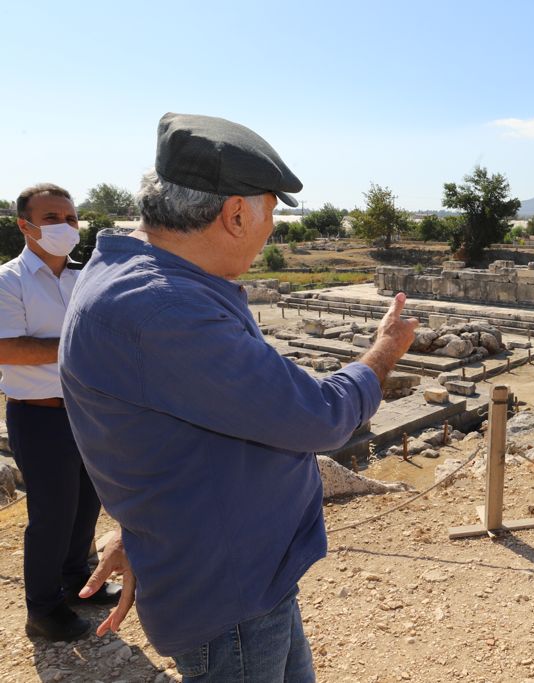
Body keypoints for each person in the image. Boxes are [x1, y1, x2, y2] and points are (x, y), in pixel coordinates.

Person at [60, 113, 418, 681]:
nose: (272, 228)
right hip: (228, 590)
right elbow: (320, 416)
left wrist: (145, 526)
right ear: (233, 214)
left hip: (237, 569)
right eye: (270, 212)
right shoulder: (165, 308)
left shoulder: (146, 277)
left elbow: (151, 429)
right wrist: (383, 353)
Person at [0, 184, 121, 642]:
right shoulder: (8, 281)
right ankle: (43, 609)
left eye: (71, 218)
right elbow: (7, 347)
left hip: (87, 411)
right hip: (40, 415)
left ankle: (77, 584)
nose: (66, 227)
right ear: (24, 224)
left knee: (86, 505)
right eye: (52, 218)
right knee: (52, 514)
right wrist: (80, 347)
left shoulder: (82, 277)